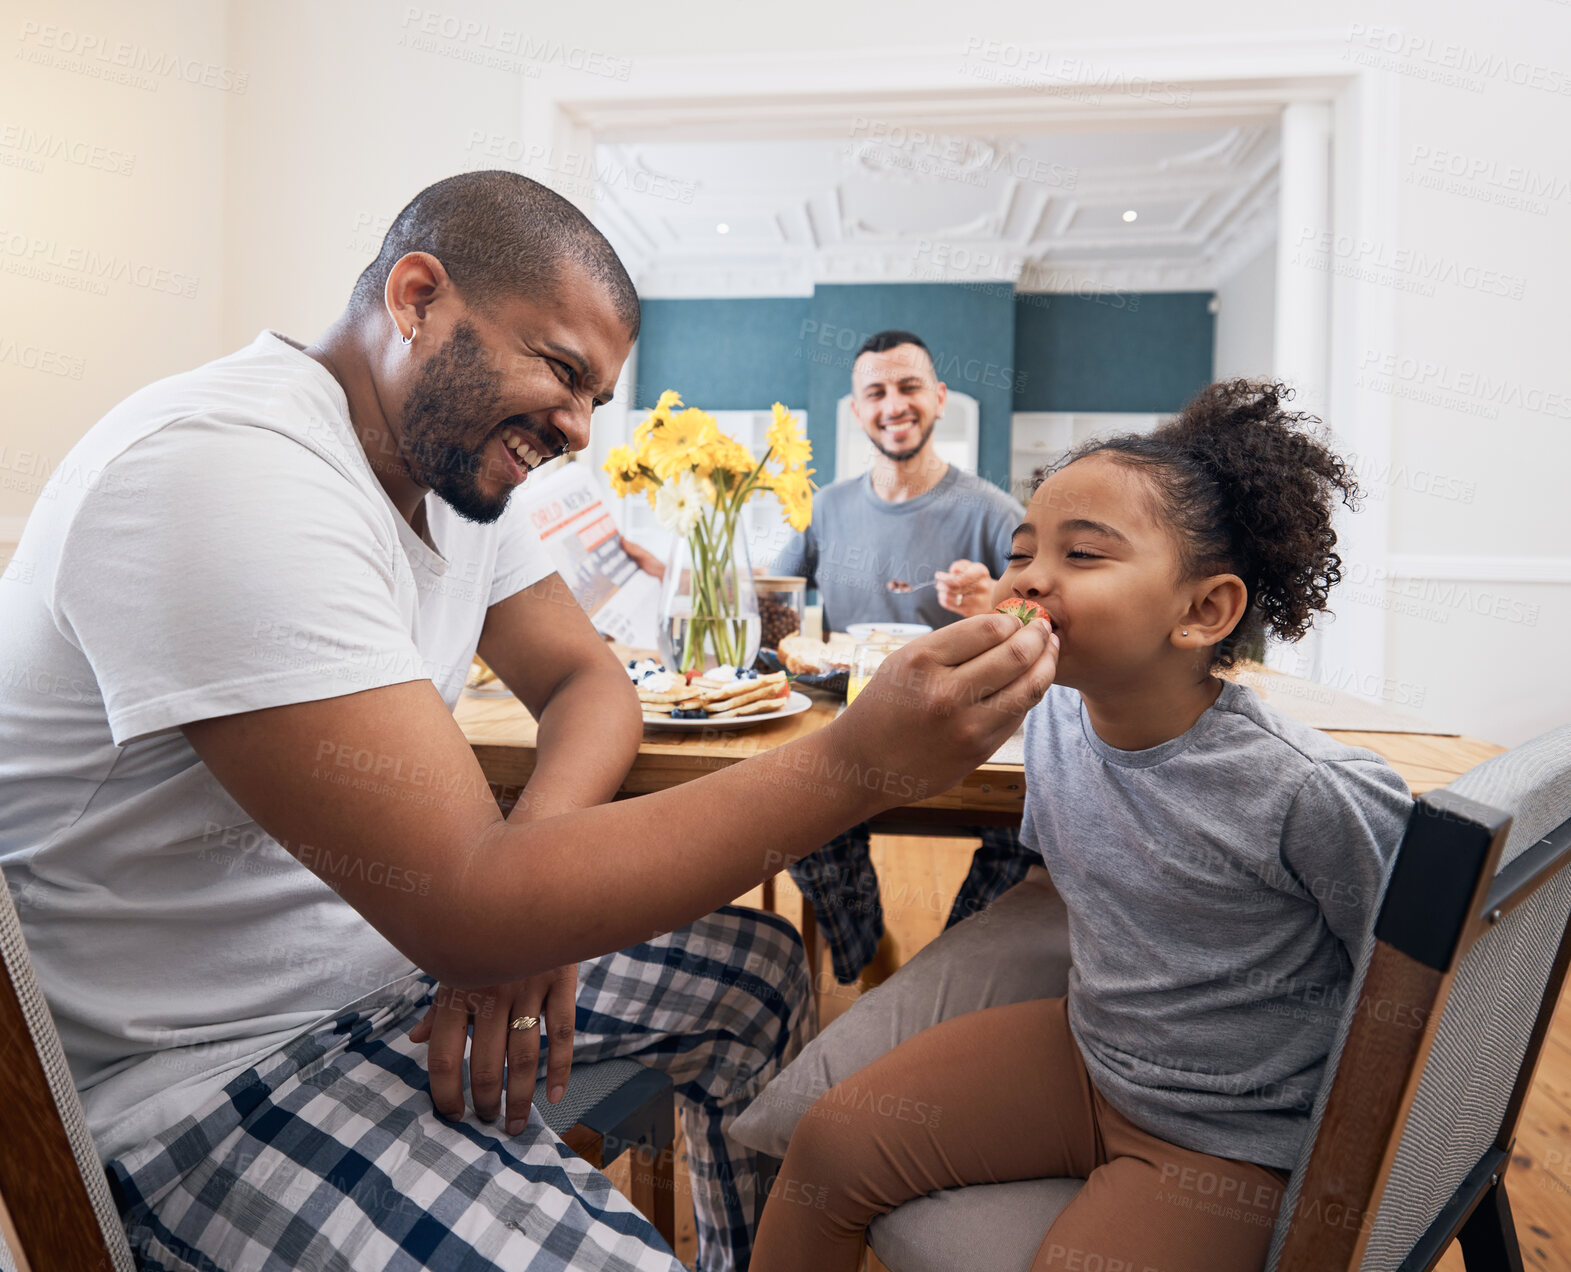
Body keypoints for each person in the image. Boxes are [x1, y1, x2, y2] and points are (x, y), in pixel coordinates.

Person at [0, 172, 1060, 1272]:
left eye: (598, 398)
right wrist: (860, 763)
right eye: (562, 371)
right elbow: (468, 903)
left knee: (754, 979)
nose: (579, 429)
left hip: (392, 962)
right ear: (416, 298)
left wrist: (528, 891)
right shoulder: (227, 470)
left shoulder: (451, 477)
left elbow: (585, 683)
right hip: (200, 1078)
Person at [749, 381, 1415, 1272]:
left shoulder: (1306, 791)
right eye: (1023, 552)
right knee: (827, 1147)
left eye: (1083, 554)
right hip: (1086, 1056)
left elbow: (1416, 991)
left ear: (1202, 611)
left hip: (1229, 1138)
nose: (1026, 576)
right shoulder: (1056, 719)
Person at [771, 330, 1039, 986]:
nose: (894, 404)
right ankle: (872, 962)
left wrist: (995, 603)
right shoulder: (822, 508)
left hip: (970, 735)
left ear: (939, 397)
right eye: (876, 392)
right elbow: (769, 606)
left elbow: (1050, 618)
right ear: (857, 411)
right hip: (855, 732)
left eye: (909, 386)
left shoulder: (994, 512)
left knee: (1027, 833)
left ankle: (940, 980)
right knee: (798, 820)